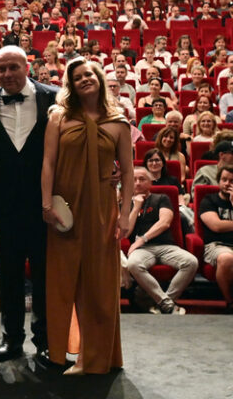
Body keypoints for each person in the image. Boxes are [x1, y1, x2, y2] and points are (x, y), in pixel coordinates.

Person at [41, 57, 134, 375]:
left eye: (89, 74)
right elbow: (48, 163)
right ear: (71, 83)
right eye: (77, 76)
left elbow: (129, 173)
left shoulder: (119, 122)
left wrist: (124, 216)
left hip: (101, 209)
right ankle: (63, 352)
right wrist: (46, 206)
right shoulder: (58, 116)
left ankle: (96, 357)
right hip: (64, 210)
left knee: (99, 283)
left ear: (100, 78)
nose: (84, 79)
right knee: (64, 281)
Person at [0, 46, 58, 365]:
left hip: (44, 203)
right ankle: (11, 339)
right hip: (5, 205)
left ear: (28, 67)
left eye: (13, 67)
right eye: (1, 69)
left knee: (44, 275)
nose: (7, 74)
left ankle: (46, 340)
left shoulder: (54, 98)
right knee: (8, 275)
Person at [125, 168, 197, 314]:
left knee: (191, 262)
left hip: (166, 246)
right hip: (142, 250)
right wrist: (136, 207)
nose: (137, 183)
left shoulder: (161, 198)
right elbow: (126, 232)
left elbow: (165, 222)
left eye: (142, 179)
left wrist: (142, 239)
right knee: (133, 264)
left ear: (150, 182)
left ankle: (163, 303)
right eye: (134, 180)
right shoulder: (126, 203)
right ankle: (167, 304)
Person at [197, 164, 233, 313]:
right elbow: (216, 226)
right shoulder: (209, 200)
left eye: (231, 181)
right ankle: (230, 302)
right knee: (226, 259)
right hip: (216, 245)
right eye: (224, 179)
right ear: (218, 181)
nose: (227, 184)